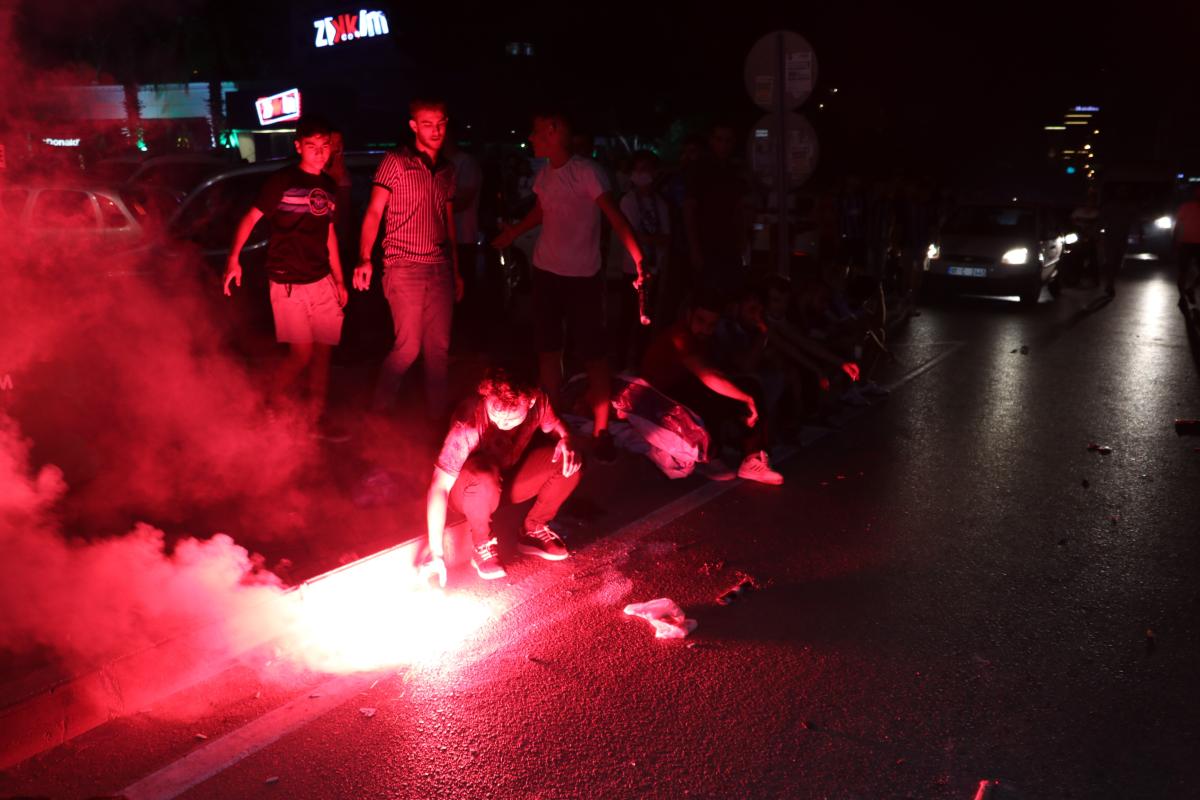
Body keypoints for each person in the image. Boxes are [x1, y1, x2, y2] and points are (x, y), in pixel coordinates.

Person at [491, 110, 645, 464]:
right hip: (546, 272)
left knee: (594, 354)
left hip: (583, 277)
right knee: (548, 350)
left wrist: (639, 259)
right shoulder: (544, 175)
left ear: (553, 130)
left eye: (535, 132)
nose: (531, 138)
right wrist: (512, 233)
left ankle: (602, 431)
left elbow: (614, 215)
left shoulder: (587, 171)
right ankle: (553, 426)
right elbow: (542, 212)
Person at [223, 115, 348, 434]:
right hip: (287, 281)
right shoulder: (282, 181)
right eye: (312, 146)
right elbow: (251, 218)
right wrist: (234, 258)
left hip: (321, 280)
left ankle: (316, 416)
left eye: (325, 147)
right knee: (302, 354)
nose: (320, 153)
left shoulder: (329, 186)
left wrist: (339, 278)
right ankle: (267, 401)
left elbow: (329, 234)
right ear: (298, 147)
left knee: (323, 353)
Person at [355, 98, 463, 419]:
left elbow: (449, 222)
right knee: (408, 348)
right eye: (428, 124)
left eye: (441, 123)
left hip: (439, 267)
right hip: (404, 266)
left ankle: (436, 418)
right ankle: (379, 412)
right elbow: (374, 211)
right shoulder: (396, 161)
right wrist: (364, 257)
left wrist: (456, 271)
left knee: (439, 351)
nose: (436, 130)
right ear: (413, 126)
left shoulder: (447, 170)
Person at [423, 369, 584, 585]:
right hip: (469, 491)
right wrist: (436, 553)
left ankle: (533, 530)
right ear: (487, 396)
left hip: (504, 482)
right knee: (483, 471)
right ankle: (482, 545)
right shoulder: (469, 421)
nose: (502, 423)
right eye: (496, 414)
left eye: (511, 419)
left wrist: (567, 438)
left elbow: (556, 426)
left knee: (568, 461)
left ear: (531, 401)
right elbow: (440, 486)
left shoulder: (540, 402)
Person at [639, 290, 784, 485]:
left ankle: (753, 458)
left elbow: (724, 371)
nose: (706, 329)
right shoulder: (680, 334)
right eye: (701, 321)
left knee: (747, 385)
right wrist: (744, 399)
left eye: (711, 324)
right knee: (718, 392)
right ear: (689, 315)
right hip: (660, 398)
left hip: (686, 387)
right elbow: (707, 375)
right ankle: (708, 456)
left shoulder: (705, 337)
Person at [616, 150, 671, 369]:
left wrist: (646, 238)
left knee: (646, 320)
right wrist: (650, 239)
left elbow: (666, 237)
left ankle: (640, 364)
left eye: (648, 169)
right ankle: (622, 364)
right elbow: (630, 233)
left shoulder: (661, 203)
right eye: (639, 169)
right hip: (632, 269)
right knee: (628, 318)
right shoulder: (628, 201)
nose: (643, 174)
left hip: (655, 268)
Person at [684, 122, 750, 295]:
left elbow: (739, 209)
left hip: (729, 243)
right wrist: (694, 248)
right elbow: (690, 209)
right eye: (719, 139)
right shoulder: (699, 168)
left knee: (729, 292)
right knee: (707, 295)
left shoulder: (733, 171)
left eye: (728, 140)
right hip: (706, 242)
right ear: (712, 141)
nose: (723, 145)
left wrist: (742, 239)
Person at [1173, 186, 1200, 308]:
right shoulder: (1186, 206)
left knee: (1182, 272)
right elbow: (1178, 225)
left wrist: (1175, 240)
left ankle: (1186, 293)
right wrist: (1175, 239)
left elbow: (1178, 225)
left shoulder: (1186, 206)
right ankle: (1186, 293)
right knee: (1183, 271)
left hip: (1187, 243)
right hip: (1188, 243)